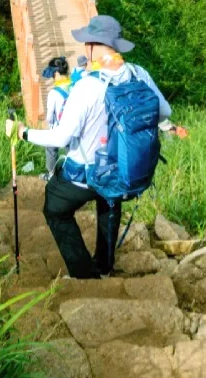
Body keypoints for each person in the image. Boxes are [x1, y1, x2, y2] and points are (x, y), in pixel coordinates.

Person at [16, 15, 178, 279]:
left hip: (85, 175)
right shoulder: (139, 74)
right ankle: (104, 266)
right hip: (124, 170)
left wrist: (24, 133)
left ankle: (83, 275)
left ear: (92, 46)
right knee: (109, 200)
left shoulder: (87, 87)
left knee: (55, 208)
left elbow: (60, 139)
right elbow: (164, 111)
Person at [41, 55, 72, 179]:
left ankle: (52, 175)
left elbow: (49, 117)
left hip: (61, 129)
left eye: (53, 75)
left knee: (50, 147)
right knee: (72, 151)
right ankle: (74, 174)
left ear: (57, 74)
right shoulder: (75, 85)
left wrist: (50, 125)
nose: (53, 78)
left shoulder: (54, 93)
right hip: (76, 127)